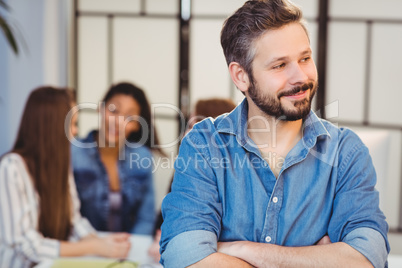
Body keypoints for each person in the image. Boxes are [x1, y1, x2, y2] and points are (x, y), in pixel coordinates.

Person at [159, 0, 389, 267]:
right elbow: (184, 256)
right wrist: (316, 259)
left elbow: (366, 259)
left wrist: (241, 249)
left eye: (305, 58)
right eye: (279, 65)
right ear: (241, 76)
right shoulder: (204, 145)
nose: (300, 77)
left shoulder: (346, 152)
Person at [0, 87, 131, 264]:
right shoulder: (11, 167)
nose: (76, 131)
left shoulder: (60, 164)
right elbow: (27, 245)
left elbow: (73, 220)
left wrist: (101, 242)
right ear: (51, 126)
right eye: (73, 124)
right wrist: (93, 247)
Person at [147, 97, 236, 262]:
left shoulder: (236, 179)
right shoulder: (185, 169)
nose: (187, 134)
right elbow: (163, 225)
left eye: (195, 127)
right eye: (188, 126)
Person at [72, 82, 163, 234]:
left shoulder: (142, 156)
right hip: (84, 246)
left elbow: (145, 219)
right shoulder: (73, 153)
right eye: (113, 110)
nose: (118, 121)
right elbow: (67, 217)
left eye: (129, 117)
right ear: (100, 109)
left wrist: (132, 249)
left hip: (127, 250)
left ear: (136, 125)